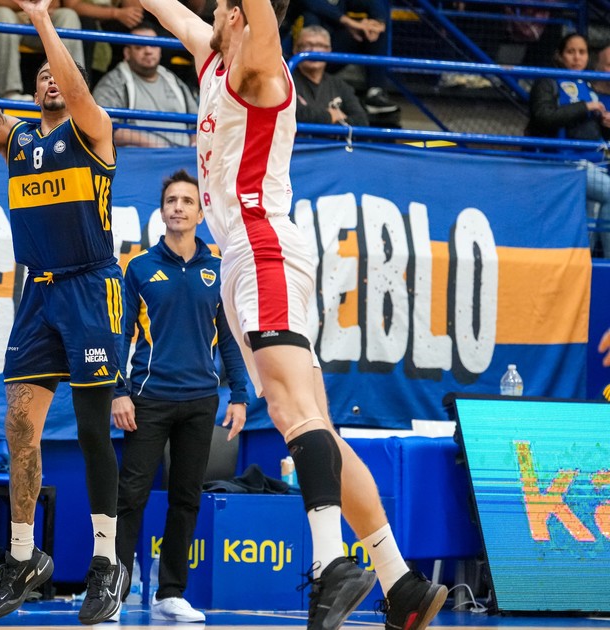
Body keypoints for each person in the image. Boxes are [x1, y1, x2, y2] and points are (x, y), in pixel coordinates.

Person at [137, 0, 446, 629]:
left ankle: (332, 564)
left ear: (241, 15)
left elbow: (259, 19)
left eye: (223, 5)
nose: (210, 10)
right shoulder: (212, 56)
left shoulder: (261, 63)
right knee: (315, 424)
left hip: (264, 248)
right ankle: (401, 583)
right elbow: (167, 10)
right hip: (246, 257)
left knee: (290, 411)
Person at [0, 0, 126, 621]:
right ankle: (24, 556)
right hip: (39, 291)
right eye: (42, 75)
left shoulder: (93, 129)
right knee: (19, 426)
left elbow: (76, 89)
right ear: (32, 90)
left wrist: (41, 18)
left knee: (91, 427)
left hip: (91, 286)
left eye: (60, 73)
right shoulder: (18, 140)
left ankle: (106, 562)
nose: (52, 80)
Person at [112, 170, 248, 622]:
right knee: (130, 496)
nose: (178, 207)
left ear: (200, 213)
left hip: (200, 401)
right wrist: (118, 392)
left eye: (187, 201)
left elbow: (229, 338)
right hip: (147, 399)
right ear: (162, 210)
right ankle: (114, 589)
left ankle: (171, 592)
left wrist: (240, 394)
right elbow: (120, 334)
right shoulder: (140, 268)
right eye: (171, 200)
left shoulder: (218, 269)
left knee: (186, 498)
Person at [525, 33, 610, 259]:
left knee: (591, 217)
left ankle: (585, 263)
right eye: (571, 52)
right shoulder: (548, 81)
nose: (577, 57)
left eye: (582, 52)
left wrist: (605, 124)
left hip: (596, 162)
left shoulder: (588, 85)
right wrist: (585, 107)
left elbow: (591, 130)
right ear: (560, 55)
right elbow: (543, 116)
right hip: (567, 161)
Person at [91, 23, 197, 147]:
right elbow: (104, 128)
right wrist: (156, 145)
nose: (148, 51)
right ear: (127, 53)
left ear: (160, 50)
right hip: (140, 156)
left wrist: (195, 144)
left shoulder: (173, 80)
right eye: (139, 47)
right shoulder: (113, 83)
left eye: (153, 45)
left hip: (184, 155)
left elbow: (197, 123)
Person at [285, 0, 395, 115]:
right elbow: (313, 4)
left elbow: (373, 3)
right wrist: (350, 23)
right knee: (310, 16)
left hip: (329, 48)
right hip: (295, 56)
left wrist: (378, 22)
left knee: (372, 30)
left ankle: (375, 93)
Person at [0, 0, 84, 100]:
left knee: (68, 15)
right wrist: (27, 7)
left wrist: (43, 8)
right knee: (3, 15)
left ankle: (72, 92)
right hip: (5, 12)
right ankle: (10, 92)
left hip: (39, 15)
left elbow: (57, 3)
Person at [291, 25, 367, 127]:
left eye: (320, 46)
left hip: (333, 138)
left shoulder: (339, 85)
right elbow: (293, 114)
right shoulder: (286, 81)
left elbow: (361, 121)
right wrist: (331, 116)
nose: (314, 51)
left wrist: (332, 124)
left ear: (329, 50)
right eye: (307, 45)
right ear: (295, 50)